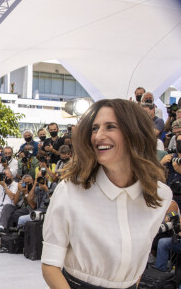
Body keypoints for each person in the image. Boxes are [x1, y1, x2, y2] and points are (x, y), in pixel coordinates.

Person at [41, 99, 172, 289]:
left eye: (110, 127)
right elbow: (50, 266)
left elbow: (138, 265)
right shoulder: (69, 190)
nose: (98, 136)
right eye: (95, 128)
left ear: (134, 133)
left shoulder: (160, 195)